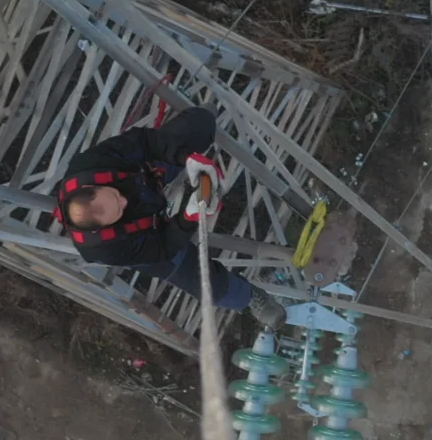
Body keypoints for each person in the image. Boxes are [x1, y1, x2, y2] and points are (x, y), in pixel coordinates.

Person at [54, 106, 287, 330]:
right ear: (103, 228)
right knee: (204, 284)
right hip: (147, 235)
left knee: (200, 123)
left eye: (115, 196)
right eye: (118, 211)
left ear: (94, 186)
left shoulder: (89, 165)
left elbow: (143, 141)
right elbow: (163, 247)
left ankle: (201, 118)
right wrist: (188, 218)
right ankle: (249, 298)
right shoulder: (103, 248)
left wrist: (186, 158)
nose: (123, 202)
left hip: (145, 179)